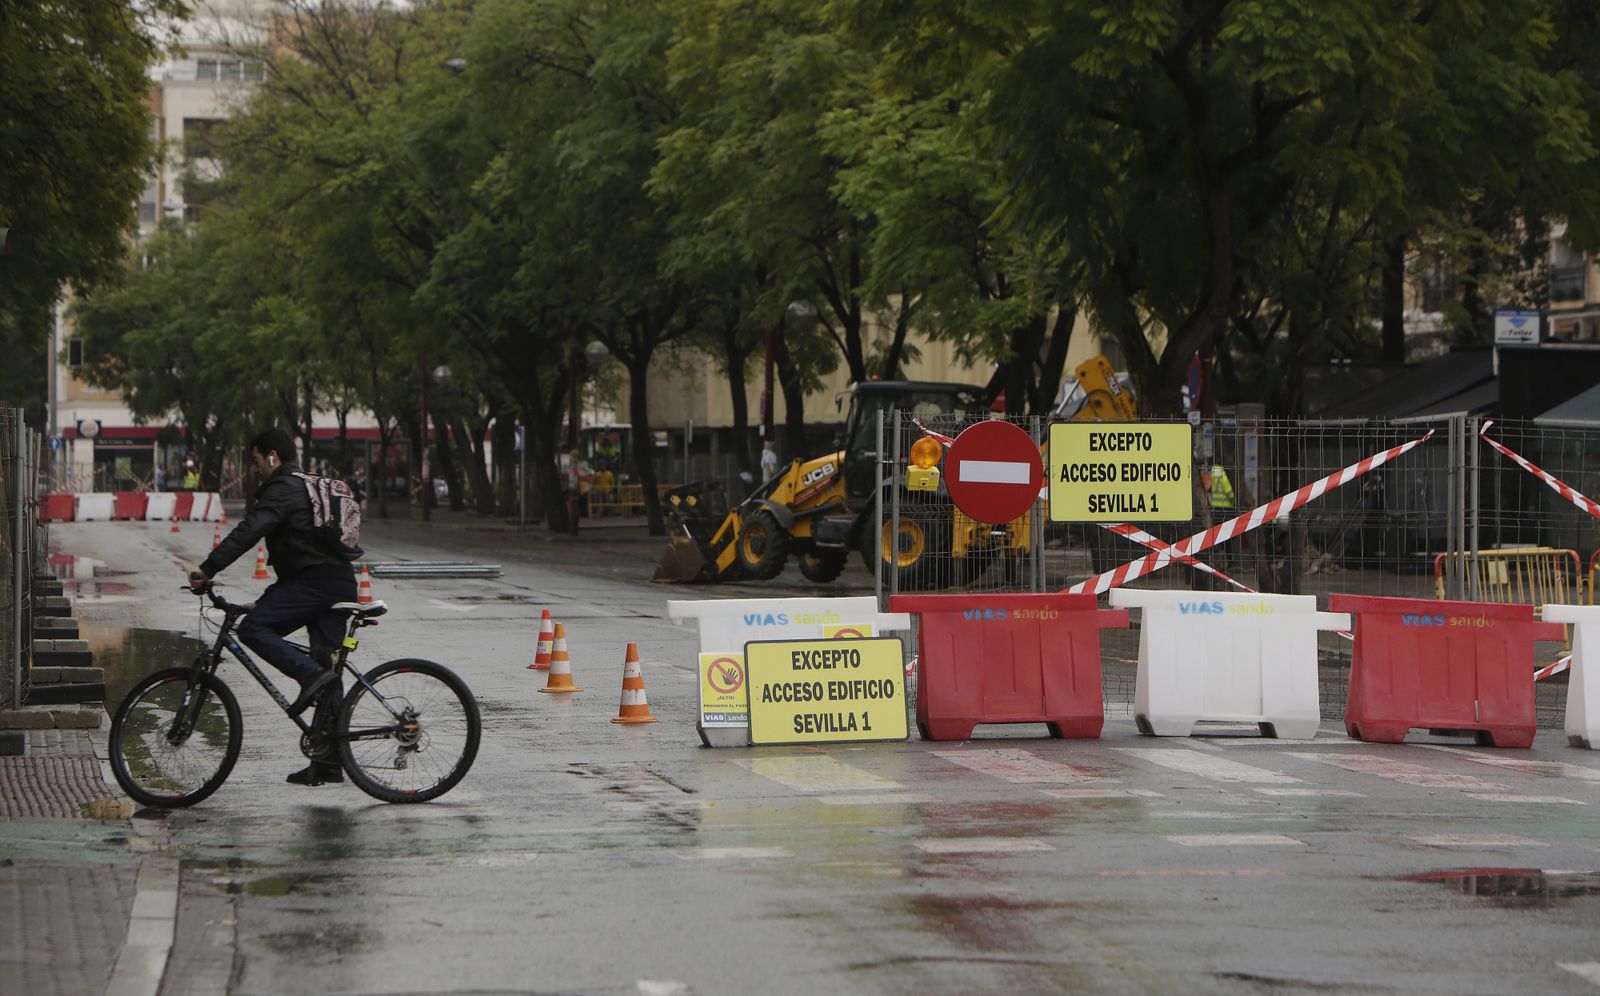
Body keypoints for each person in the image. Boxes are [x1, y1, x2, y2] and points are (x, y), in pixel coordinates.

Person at [187, 427, 360, 787]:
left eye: (255, 461)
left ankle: (309, 676)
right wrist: (265, 601)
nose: (254, 469)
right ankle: (329, 761)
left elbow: (250, 530)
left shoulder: (283, 487)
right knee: (328, 667)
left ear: (272, 457)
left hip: (314, 584)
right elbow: (303, 555)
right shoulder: (309, 485)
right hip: (337, 582)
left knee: (254, 630)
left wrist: (208, 568)